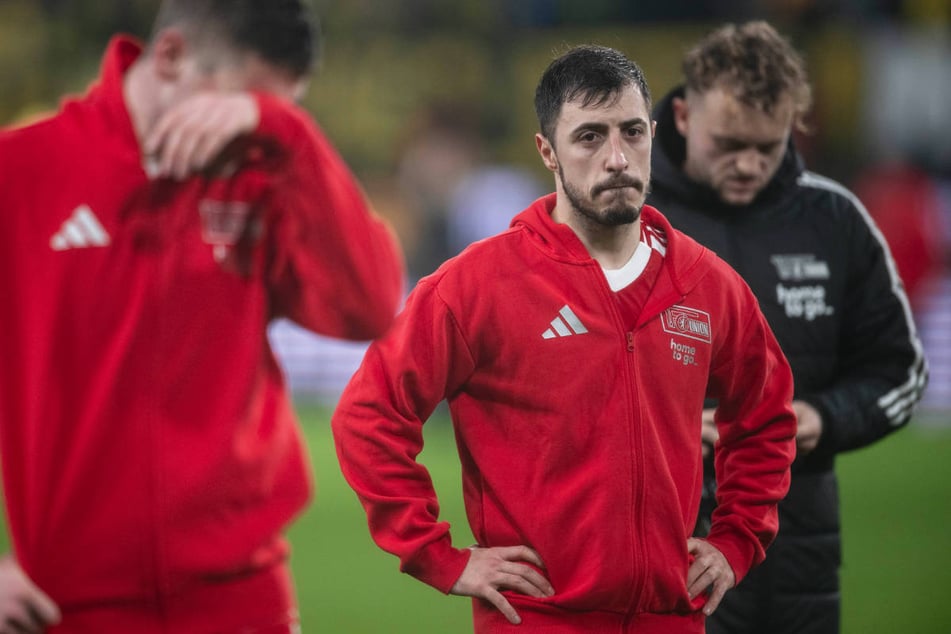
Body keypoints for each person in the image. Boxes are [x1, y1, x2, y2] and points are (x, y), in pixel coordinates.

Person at [332, 44, 797, 633]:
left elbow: (766, 414)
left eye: (632, 132)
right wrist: (440, 558)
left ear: (654, 137)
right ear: (547, 152)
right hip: (536, 620)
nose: (617, 157)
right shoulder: (477, 286)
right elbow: (368, 416)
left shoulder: (706, 285)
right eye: (590, 137)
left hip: (672, 620)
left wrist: (736, 540)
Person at [0, 1, 404, 632]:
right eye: (235, 107)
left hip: (244, 598)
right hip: (70, 607)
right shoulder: (21, 173)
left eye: (269, 117)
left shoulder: (261, 172)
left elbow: (370, 306)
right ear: (170, 59)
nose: (247, 132)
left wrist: (288, 135)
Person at [646, 21, 929, 634]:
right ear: (684, 116)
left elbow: (901, 373)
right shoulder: (622, 218)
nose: (748, 163)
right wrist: (659, 425)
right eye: (729, 143)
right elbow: (555, 374)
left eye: (767, 146)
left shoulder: (835, 220)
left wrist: (822, 418)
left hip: (795, 557)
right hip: (652, 549)